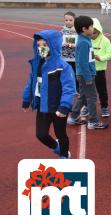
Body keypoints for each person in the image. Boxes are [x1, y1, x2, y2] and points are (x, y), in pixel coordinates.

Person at [22, 30, 76, 159]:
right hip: (42, 106)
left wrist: (64, 106)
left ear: (53, 45)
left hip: (58, 107)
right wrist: (26, 99)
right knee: (41, 134)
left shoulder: (63, 66)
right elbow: (31, 82)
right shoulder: (37, 64)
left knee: (60, 133)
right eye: (39, 45)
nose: (42, 48)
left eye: (45, 45)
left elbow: (69, 88)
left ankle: (64, 155)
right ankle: (56, 147)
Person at [68, 16, 108, 129]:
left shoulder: (85, 40)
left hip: (86, 74)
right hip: (86, 75)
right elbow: (83, 62)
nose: (92, 28)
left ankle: (73, 117)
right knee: (92, 98)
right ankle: (93, 121)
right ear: (84, 29)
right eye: (91, 26)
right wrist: (88, 77)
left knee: (84, 96)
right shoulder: (84, 43)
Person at [91, 18, 111, 118]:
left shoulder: (105, 40)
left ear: (99, 31)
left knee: (102, 90)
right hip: (88, 70)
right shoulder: (86, 40)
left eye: (95, 33)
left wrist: (101, 58)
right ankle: (87, 107)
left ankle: (104, 107)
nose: (93, 35)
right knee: (88, 91)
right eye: (91, 33)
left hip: (100, 70)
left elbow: (110, 54)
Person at [60, 11, 77, 91]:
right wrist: (62, 44)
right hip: (65, 57)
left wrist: (75, 45)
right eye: (66, 20)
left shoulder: (77, 31)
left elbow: (80, 43)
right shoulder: (62, 31)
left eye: (70, 20)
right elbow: (58, 42)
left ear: (74, 20)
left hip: (75, 57)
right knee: (66, 73)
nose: (68, 22)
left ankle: (76, 89)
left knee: (76, 74)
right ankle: (67, 88)